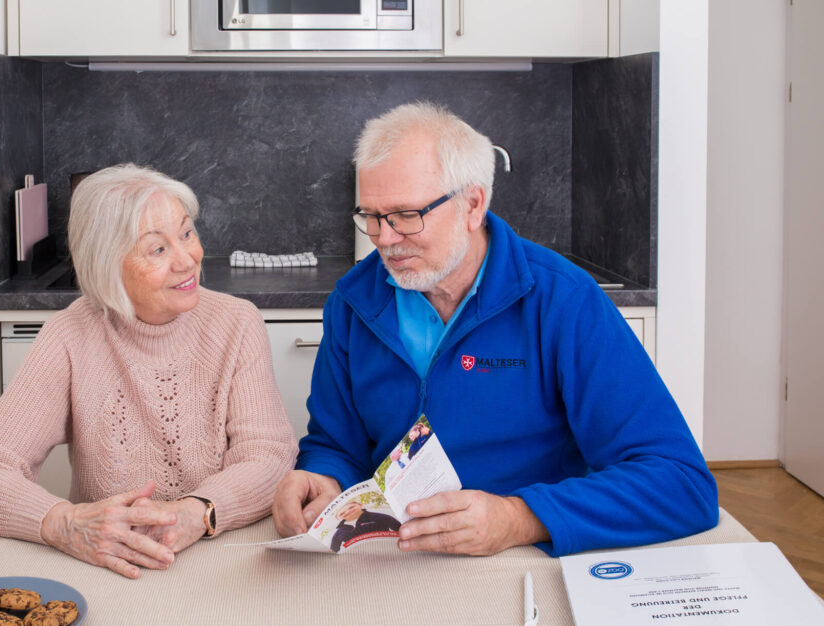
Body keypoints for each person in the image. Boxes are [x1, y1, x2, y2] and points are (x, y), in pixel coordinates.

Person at [272, 102, 718, 557]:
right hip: (393, 560)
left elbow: (681, 483)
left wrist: (519, 518)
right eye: (371, 215)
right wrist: (321, 478)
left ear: (473, 204)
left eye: (406, 215)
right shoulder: (352, 301)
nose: (382, 238)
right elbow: (336, 444)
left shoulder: (564, 300)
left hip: (525, 559)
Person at [0, 164, 298, 578]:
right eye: (157, 249)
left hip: (221, 558)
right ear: (108, 263)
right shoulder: (69, 335)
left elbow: (269, 457)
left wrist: (195, 513)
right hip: (110, 567)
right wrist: (65, 524)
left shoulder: (237, 322)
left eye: (187, 233)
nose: (188, 259)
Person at [329, 501, 401, 552]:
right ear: (338, 518)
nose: (348, 512)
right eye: (342, 513)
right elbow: (334, 549)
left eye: (351, 507)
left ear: (360, 505)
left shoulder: (380, 517)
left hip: (385, 551)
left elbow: (400, 529)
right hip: (357, 559)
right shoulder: (339, 532)